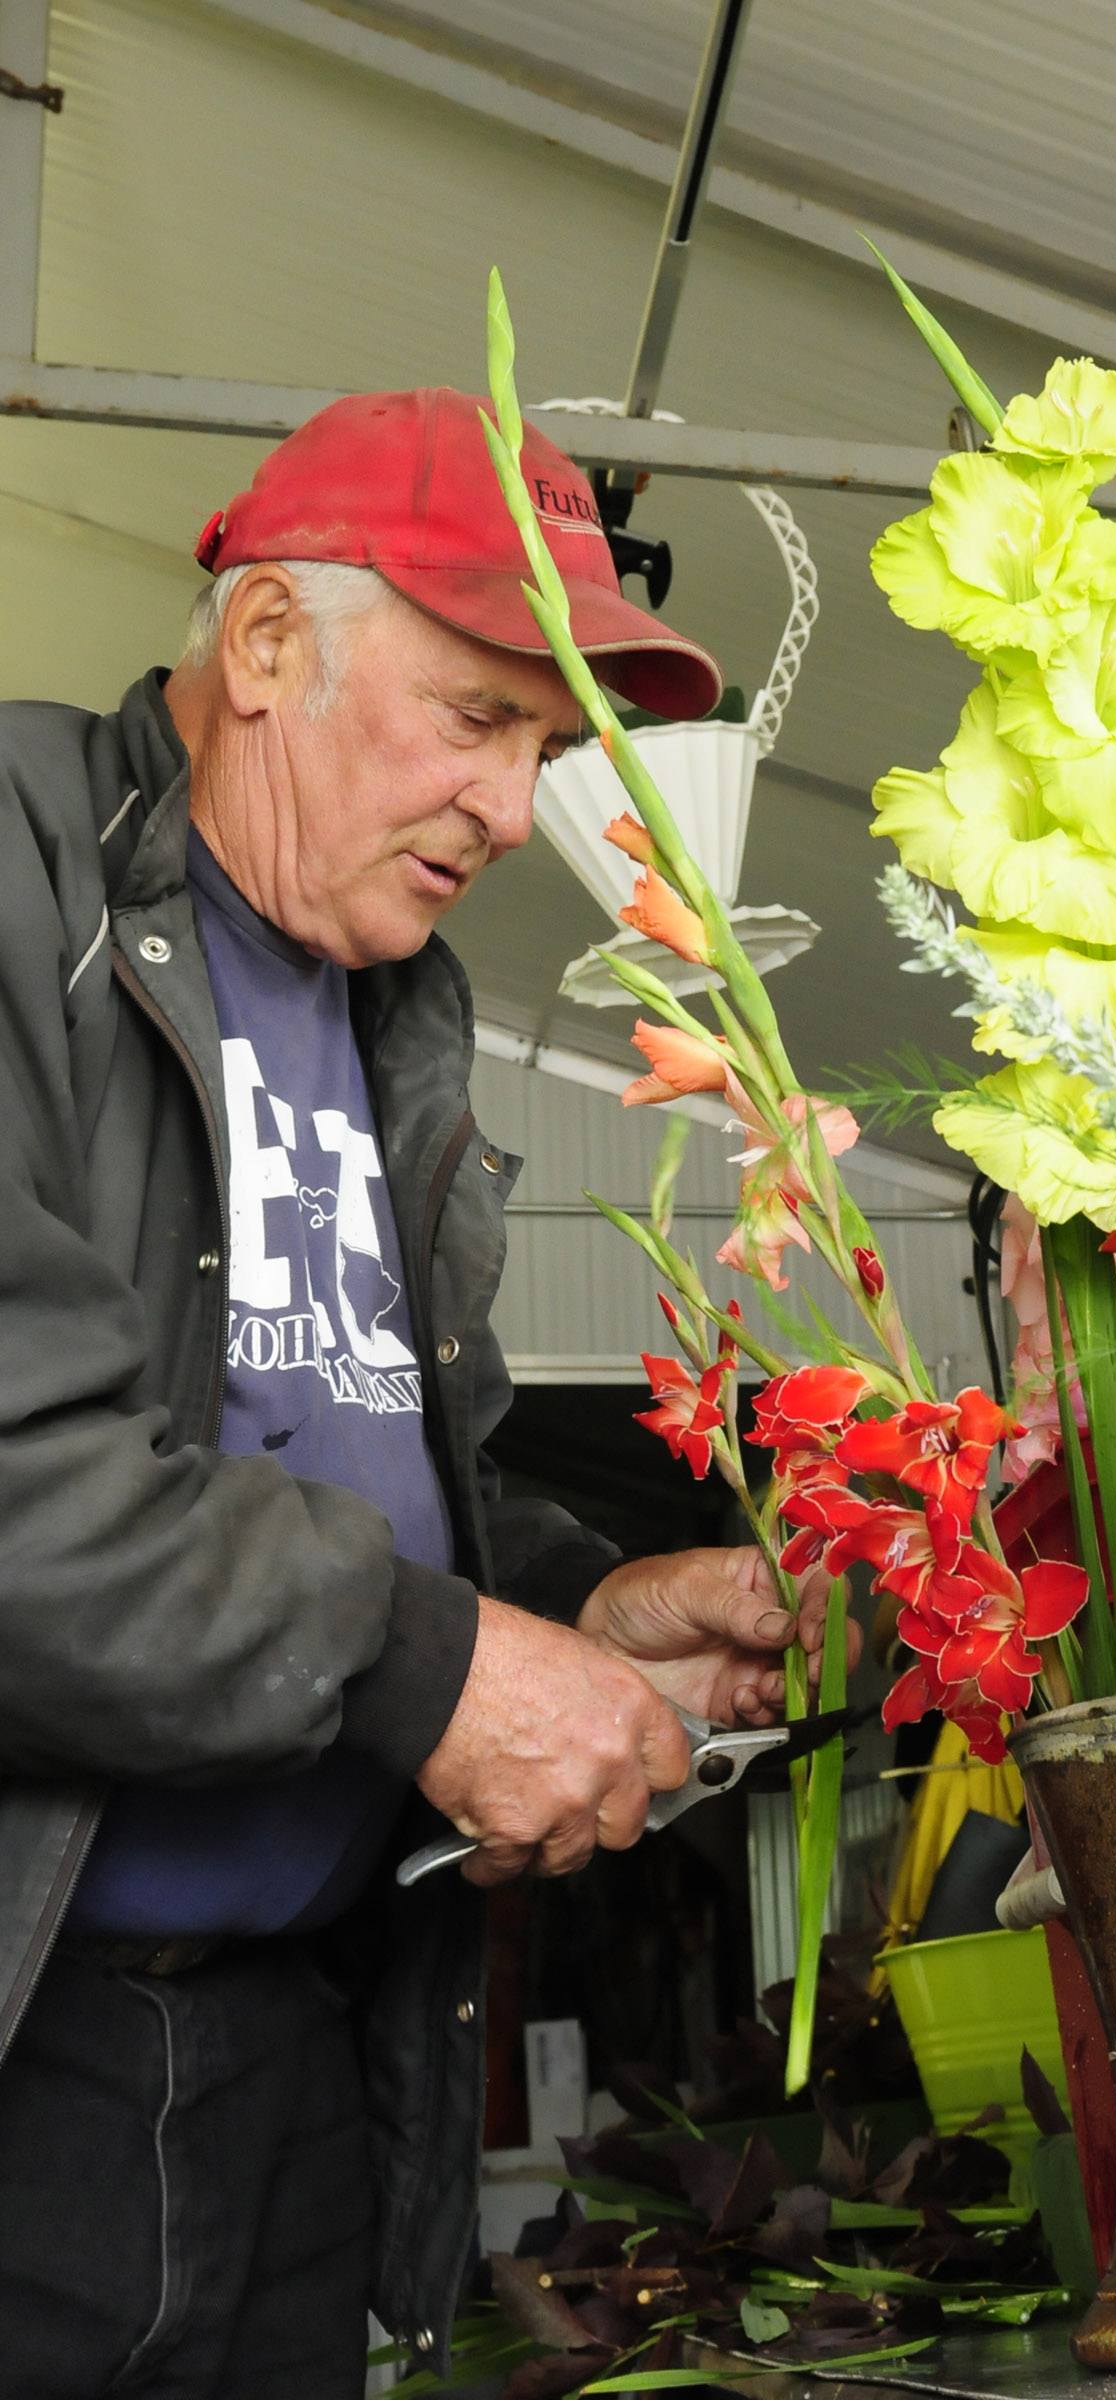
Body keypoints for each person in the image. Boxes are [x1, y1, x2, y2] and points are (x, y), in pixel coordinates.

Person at [0, 387, 845, 2398]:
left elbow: (346, 1460)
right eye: (477, 720)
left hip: (295, 2054)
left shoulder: (393, 1005)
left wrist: (567, 1611)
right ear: (271, 645)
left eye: (542, 749)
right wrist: (435, 1668)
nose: (508, 806)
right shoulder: (22, 882)